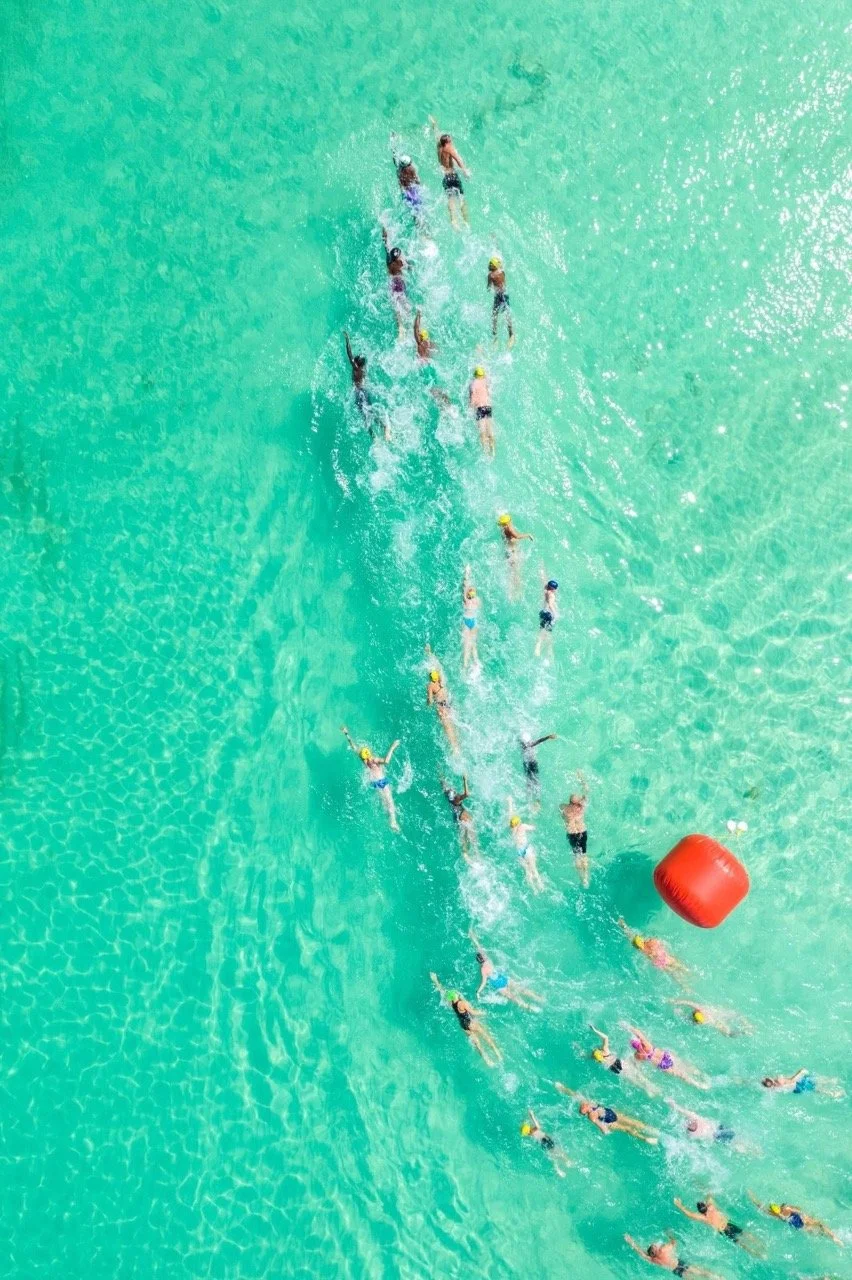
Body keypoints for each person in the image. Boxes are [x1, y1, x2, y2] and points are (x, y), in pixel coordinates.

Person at [430, 973, 502, 1067]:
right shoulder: (462, 1003)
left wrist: (435, 980)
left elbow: (441, 990)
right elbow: (473, 1012)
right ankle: (498, 1054)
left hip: (463, 1026)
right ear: (455, 996)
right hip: (471, 1023)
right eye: (456, 993)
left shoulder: (451, 1003)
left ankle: (487, 1061)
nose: (457, 993)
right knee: (486, 1036)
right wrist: (482, 1012)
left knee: (478, 1045)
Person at [340, 726, 401, 831]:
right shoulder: (373, 760)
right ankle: (393, 822)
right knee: (390, 802)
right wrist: (392, 747)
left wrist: (346, 734)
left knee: (383, 802)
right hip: (382, 782)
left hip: (374, 783)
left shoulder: (363, 760)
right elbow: (386, 761)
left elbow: (353, 746)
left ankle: (389, 820)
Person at [554, 1084, 659, 1144]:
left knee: (636, 1123)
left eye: (582, 1106)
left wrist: (563, 1089)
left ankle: (652, 1130)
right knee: (628, 1129)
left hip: (613, 1113)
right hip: (610, 1123)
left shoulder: (589, 1103)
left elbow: (575, 1094)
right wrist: (605, 1130)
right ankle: (645, 1139)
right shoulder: (591, 1116)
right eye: (583, 1109)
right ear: (586, 1111)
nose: (582, 1106)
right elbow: (599, 1124)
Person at [469, 929, 544, 1010]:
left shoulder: (483, 969)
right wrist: (473, 937)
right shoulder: (488, 960)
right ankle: (538, 998)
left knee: (513, 998)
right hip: (503, 978)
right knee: (521, 989)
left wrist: (478, 991)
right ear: (483, 957)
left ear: (479, 962)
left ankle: (529, 1007)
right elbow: (479, 946)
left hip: (499, 986)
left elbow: (484, 982)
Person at [623, 1024, 709, 1089]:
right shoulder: (646, 1044)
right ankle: (696, 1072)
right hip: (666, 1056)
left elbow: (636, 1065)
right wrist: (629, 1027)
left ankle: (696, 1084)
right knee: (685, 1066)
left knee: (680, 1075)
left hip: (662, 1065)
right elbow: (639, 1034)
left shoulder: (638, 1055)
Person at [674, 1196, 766, 1257]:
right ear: (705, 1205)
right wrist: (703, 1189)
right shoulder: (711, 1207)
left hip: (724, 1231)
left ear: (700, 1211)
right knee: (746, 1234)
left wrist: (679, 1205)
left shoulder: (703, 1217)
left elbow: (689, 1214)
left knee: (741, 1243)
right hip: (729, 1224)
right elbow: (709, 1196)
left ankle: (756, 1254)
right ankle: (762, 1245)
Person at [588, 1024, 660, 1096]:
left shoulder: (600, 1059)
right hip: (620, 1063)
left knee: (633, 1080)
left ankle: (647, 1090)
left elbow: (589, 1057)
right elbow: (605, 1038)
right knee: (638, 1075)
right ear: (600, 1051)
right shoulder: (605, 1051)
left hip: (614, 1070)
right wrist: (595, 1030)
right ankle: (652, 1087)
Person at [748, 1193, 843, 1246]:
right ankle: (833, 1237)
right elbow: (764, 1209)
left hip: (805, 1222)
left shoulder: (790, 1210)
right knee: (818, 1234)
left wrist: (803, 1217)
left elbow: (801, 1212)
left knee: (820, 1226)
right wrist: (754, 1200)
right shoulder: (780, 1215)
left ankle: (834, 1237)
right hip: (802, 1228)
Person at [343, 332, 388, 440]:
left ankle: (373, 437)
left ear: (356, 364)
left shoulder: (356, 368)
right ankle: (383, 426)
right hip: (365, 391)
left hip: (359, 393)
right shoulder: (363, 370)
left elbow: (350, 354)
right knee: (370, 411)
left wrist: (347, 340)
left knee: (365, 416)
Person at [617, 918, 690, 983]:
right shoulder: (651, 941)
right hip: (663, 956)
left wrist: (623, 926)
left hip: (660, 962)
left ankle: (685, 986)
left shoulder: (642, 951)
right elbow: (660, 943)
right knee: (677, 964)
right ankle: (688, 972)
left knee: (673, 974)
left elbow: (629, 934)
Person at [429, 116, 469, 227]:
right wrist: (465, 171)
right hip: (453, 176)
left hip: (445, 177)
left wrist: (434, 125)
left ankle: (454, 221)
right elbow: (458, 159)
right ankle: (466, 222)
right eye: (450, 141)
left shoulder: (439, 147)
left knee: (450, 198)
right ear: (447, 142)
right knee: (461, 198)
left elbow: (436, 135)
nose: (452, 142)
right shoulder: (449, 148)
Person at [624, 1234, 724, 1277]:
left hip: (676, 1270)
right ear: (655, 1251)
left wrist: (631, 1241)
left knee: (697, 1276)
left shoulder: (654, 1259)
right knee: (701, 1272)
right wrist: (669, 1235)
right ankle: (719, 1278)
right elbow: (674, 1242)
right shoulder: (664, 1250)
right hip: (680, 1264)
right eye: (655, 1246)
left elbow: (641, 1253)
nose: (657, 1245)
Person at [666, 1098, 742, 1150]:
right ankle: (747, 1148)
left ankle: (746, 1147)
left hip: (719, 1128)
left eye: (690, 1123)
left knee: (737, 1139)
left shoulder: (695, 1118)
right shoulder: (692, 1134)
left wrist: (673, 1105)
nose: (690, 1123)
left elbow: (682, 1110)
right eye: (689, 1125)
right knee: (736, 1144)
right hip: (717, 1136)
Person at [520, 1108, 572, 1177]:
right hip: (546, 1140)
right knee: (557, 1152)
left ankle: (558, 1169)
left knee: (552, 1156)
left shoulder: (531, 1134)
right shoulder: (532, 1131)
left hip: (543, 1143)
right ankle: (566, 1161)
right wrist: (532, 1116)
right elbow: (538, 1126)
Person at [507, 800, 543, 893]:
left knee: (527, 871)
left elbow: (510, 814)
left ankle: (534, 890)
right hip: (526, 849)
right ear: (519, 822)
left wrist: (510, 803)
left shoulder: (511, 829)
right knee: (534, 869)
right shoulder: (522, 826)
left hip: (519, 852)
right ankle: (540, 885)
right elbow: (533, 828)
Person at [560, 775, 589, 887]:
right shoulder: (581, 807)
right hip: (582, 831)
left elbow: (561, 816)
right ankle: (586, 877)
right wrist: (582, 778)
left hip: (572, 833)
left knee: (577, 855)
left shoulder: (564, 807)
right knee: (584, 854)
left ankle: (581, 878)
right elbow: (587, 790)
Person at [667, 999, 752, 1037]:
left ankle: (743, 1032)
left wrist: (677, 1002)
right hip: (718, 1014)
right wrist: (678, 1001)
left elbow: (689, 1003)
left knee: (728, 1034)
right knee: (735, 1015)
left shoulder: (704, 1021)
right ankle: (746, 1027)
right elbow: (689, 1003)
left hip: (716, 1021)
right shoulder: (702, 1009)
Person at [442, 775, 479, 863]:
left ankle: (467, 855)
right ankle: (474, 855)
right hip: (464, 819)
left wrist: (441, 776)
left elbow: (444, 786)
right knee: (472, 838)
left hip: (458, 819)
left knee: (464, 838)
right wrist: (465, 780)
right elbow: (467, 794)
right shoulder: (456, 799)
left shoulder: (450, 800)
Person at [497, 513, 533, 599]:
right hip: (513, 552)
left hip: (508, 551)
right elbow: (517, 536)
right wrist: (528, 535)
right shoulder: (509, 529)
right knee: (516, 573)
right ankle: (516, 592)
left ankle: (511, 591)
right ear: (507, 523)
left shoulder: (503, 528)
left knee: (511, 572)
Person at [381, 225, 408, 337]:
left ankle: (401, 327)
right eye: (400, 257)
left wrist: (385, 235)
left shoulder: (389, 260)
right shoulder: (398, 265)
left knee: (400, 307)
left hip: (395, 283)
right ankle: (403, 326)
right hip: (398, 284)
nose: (401, 258)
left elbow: (387, 247)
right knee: (402, 305)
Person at [427, 662, 459, 753]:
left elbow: (430, 701)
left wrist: (428, 705)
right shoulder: (441, 680)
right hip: (449, 704)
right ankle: (456, 745)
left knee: (447, 728)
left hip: (441, 707)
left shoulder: (430, 685)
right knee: (452, 725)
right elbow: (438, 666)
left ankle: (454, 749)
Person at [520, 732, 556, 809]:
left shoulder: (522, 745)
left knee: (529, 781)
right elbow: (539, 741)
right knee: (535, 780)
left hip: (526, 764)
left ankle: (529, 799)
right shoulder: (530, 744)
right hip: (532, 763)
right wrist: (548, 737)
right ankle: (537, 801)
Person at [390, 141, 423, 220]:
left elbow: (395, 159)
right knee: (420, 212)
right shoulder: (412, 169)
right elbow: (418, 181)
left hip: (405, 192)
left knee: (413, 213)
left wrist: (393, 147)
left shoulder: (399, 170)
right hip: (414, 191)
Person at [760, 1068, 844, 1099]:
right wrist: (800, 1072)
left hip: (797, 1086)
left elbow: (790, 1080)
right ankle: (833, 1093)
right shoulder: (779, 1084)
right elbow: (793, 1080)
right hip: (798, 1086)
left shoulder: (776, 1085)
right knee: (815, 1088)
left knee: (815, 1086)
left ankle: (832, 1085)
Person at [487, 256, 514, 346]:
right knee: (507, 313)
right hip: (505, 295)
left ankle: (495, 337)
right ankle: (511, 335)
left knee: (494, 315)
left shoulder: (490, 276)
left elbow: (488, 287)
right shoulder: (502, 272)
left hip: (497, 296)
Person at [468, 366, 495, 456]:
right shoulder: (485, 382)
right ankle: (493, 450)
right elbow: (488, 393)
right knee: (489, 430)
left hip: (480, 408)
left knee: (482, 432)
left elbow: (472, 399)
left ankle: (486, 452)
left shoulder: (473, 384)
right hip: (488, 407)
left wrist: (470, 408)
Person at [461, 565, 481, 670]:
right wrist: (467, 573)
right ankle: (465, 665)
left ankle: (476, 663)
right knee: (466, 644)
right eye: (470, 593)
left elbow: (478, 606)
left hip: (473, 622)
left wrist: (475, 600)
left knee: (473, 643)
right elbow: (465, 585)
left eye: (473, 593)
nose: (472, 594)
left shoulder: (477, 600)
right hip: (466, 621)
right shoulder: (466, 600)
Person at [535, 574, 559, 658]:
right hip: (549, 615)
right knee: (546, 632)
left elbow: (544, 582)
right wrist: (555, 614)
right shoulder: (552, 595)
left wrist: (541, 573)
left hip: (543, 612)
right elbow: (550, 604)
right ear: (554, 589)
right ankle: (539, 647)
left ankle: (547, 649)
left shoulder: (546, 590)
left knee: (543, 630)